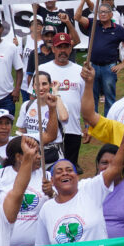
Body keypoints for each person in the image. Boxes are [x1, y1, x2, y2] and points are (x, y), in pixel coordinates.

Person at [72, 0, 124, 115]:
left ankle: (109, 123)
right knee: (92, 96)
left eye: (105, 11)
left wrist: (123, 63)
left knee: (109, 98)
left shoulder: (118, 29)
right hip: (93, 67)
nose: (103, 14)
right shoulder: (92, 24)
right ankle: (92, 124)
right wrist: (83, 0)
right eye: (100, 12)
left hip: (109, 67)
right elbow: (77, 17)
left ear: (111, 14)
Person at [39, 33, 84, 167]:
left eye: (66, 47)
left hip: (73, 127)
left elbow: (85, 100)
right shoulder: (42, 69)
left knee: (69, 168)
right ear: (53, 48)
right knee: (47, 168)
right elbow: (33, 97)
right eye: (59, 47)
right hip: (48, 126)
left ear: (71, 49)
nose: (62, 51)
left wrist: (87, 126)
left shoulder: (80, 71)